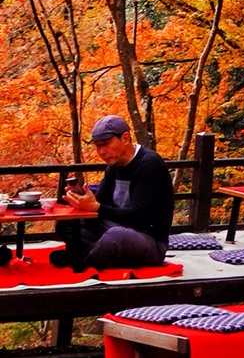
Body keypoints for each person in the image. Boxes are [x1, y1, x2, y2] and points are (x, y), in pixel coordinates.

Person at [51, 115, 174, 271]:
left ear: (125, 138)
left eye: (106, 144)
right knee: (66, 224)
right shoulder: (113, 166)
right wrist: (82, 200)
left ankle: (83, 260)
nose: (101, 151)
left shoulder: (149, 164)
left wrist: (97, 207)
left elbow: (139, 217)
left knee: (115, 237)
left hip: (148, 239)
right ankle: (96, 254)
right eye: (97, 146)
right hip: (116, 227)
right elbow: (99, 204)